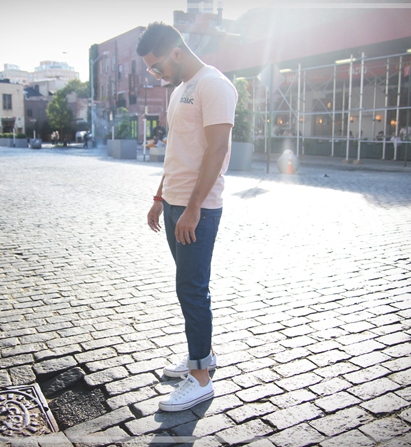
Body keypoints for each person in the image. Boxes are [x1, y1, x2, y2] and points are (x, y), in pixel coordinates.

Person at [137, 22, 237, 412]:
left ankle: (200, 379)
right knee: (187, 287)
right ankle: (202, 355)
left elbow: (217, 149)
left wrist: (193, 208)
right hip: (175, 203)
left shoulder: (215, 85)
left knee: (192, 289)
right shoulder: (179, 90)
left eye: (156, 66)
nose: (155, 74)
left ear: (176, 52)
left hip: (199, 208)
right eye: (150, 69)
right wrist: (160, 197)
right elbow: (177, 150)